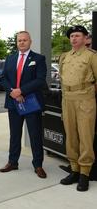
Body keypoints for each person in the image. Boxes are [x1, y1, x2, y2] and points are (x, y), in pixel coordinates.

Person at [0, 31, 47, 179]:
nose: (21, 42)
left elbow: (40, 80)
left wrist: (21, 91)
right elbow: (3, 78)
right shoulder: (10, 58)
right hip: (13, 103)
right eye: (19, 40)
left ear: (30, 41)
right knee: (15, 134)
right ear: (16, 42)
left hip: (31, 103)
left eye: (24, 40)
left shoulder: (38, 59)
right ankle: (13, 162)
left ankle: (38, 165)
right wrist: (13, 91)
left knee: (35, 135)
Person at [59, 25, 97, 191]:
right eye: (72, 36)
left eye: (78, 35)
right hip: (67, 99)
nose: (74, 38)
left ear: (85, 38)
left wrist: (88, 94)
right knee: (71, 136)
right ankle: (74, 169)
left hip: (84, 100)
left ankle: (85, 174)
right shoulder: (64, 57)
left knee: (86, 136)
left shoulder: (91, 56)